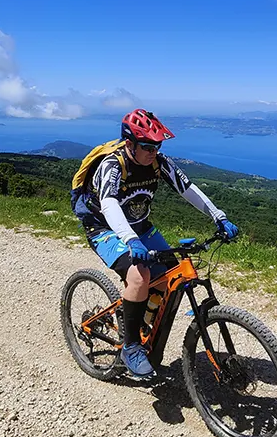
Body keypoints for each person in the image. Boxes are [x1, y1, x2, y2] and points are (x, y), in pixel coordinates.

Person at [79, 109, 239, 379]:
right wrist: (130, 239)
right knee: (139, 276)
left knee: (170, 277)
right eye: (147, 146)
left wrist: (218, 215)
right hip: (104, 228)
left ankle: (142, 327)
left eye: (157, 145)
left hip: (140, 225)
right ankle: (131, 347)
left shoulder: (158, 162)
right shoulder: (112, 165)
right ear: (129, 143)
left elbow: (187, 188)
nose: (154, 151)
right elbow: (108, 204)